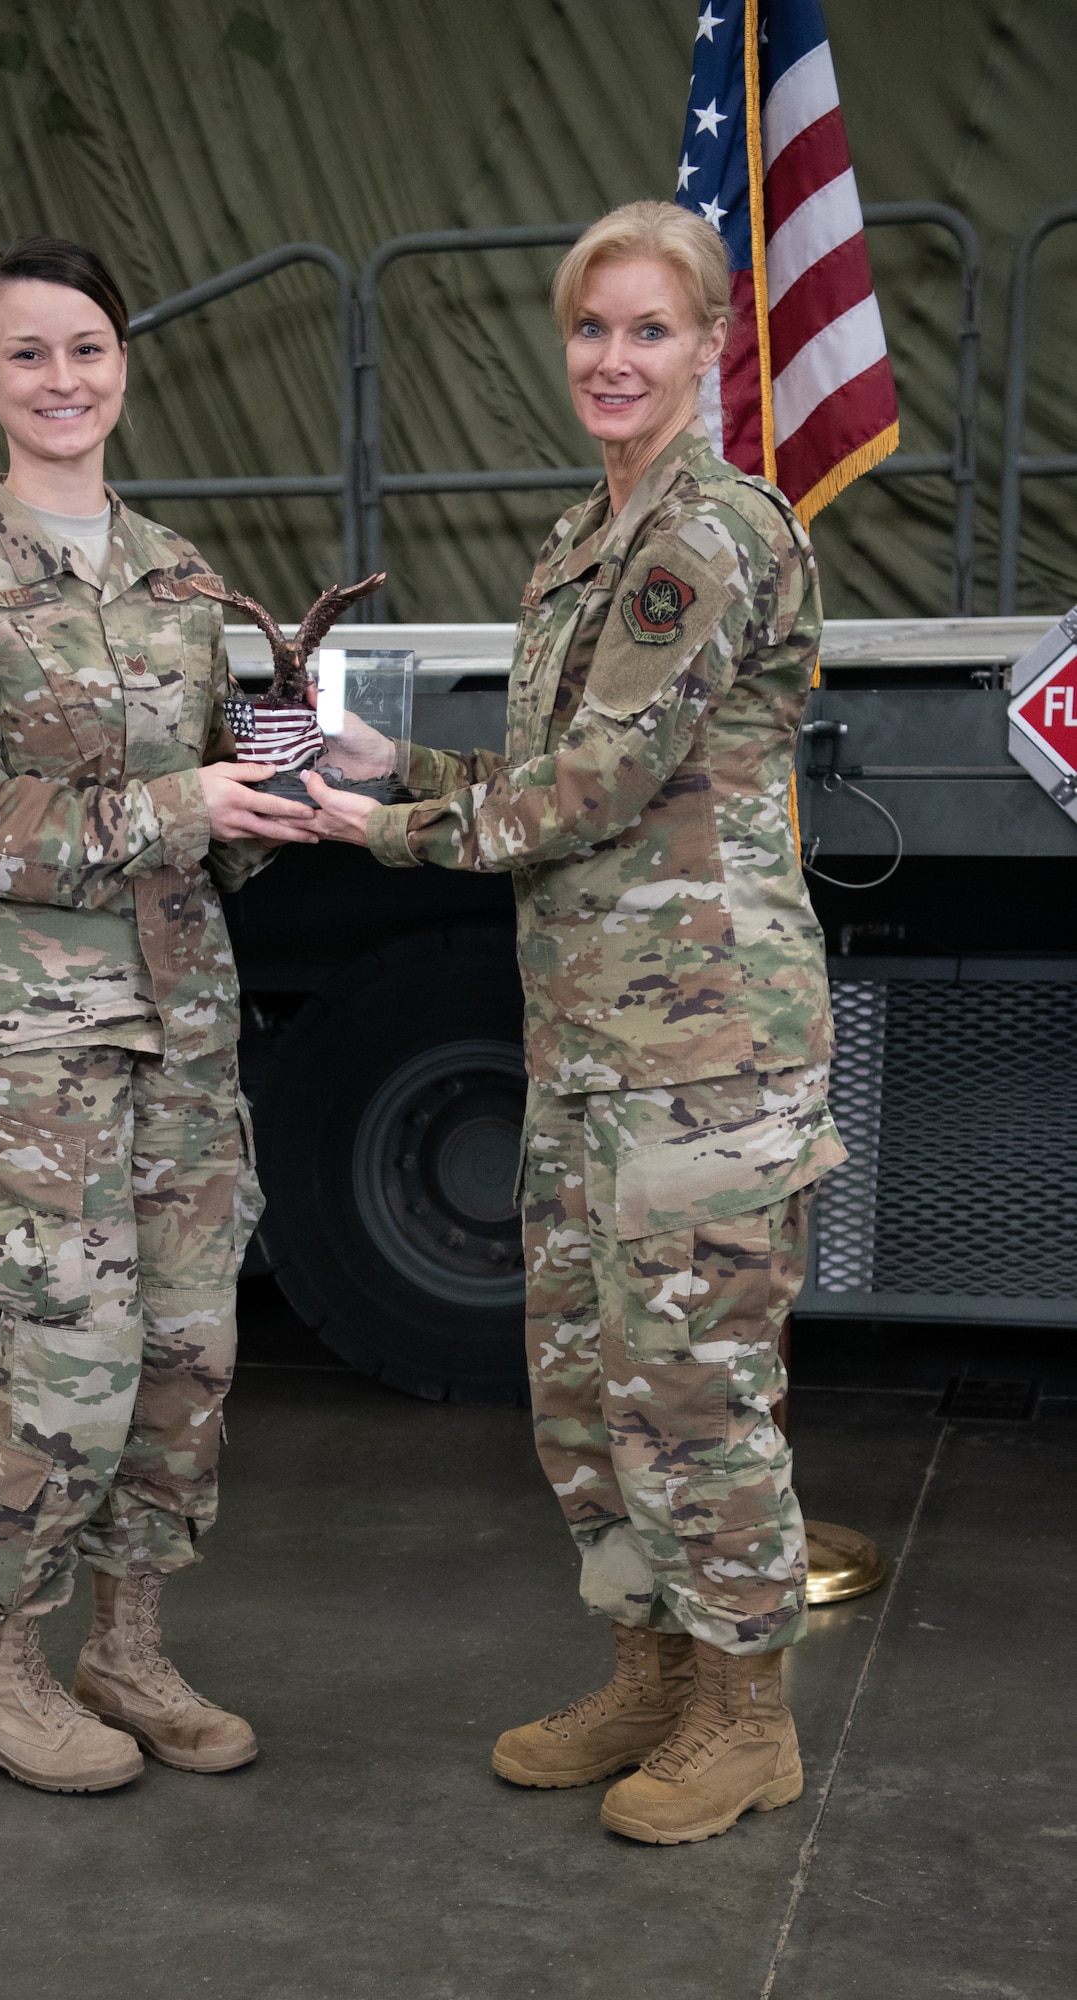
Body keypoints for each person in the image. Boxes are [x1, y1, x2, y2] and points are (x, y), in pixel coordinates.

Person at [304, 200, 845, 1845]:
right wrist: (406, 772)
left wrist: (377, 833)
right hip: (594, 1055)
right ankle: (651, 1674)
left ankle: (746, 1714)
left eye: (648, 331)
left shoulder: (707, 535)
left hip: (706, 1062)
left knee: (695, 1394)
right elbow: (558, 781)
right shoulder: (584, 541)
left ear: (711, 346)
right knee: (590, 1391)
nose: (613, 360)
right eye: (590, 331)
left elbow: (598, 791)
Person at [0, 237, 317, 1794]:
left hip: (186, 1026)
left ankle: (127, 1647)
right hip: (41, 1046)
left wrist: (283, 787)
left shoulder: (185, 581)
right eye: (31, 354)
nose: (66, 380)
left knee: (190, 1350)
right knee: (76, 1356)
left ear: (124, 365)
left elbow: (221, 820)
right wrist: (179, 800)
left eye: (89, 349)